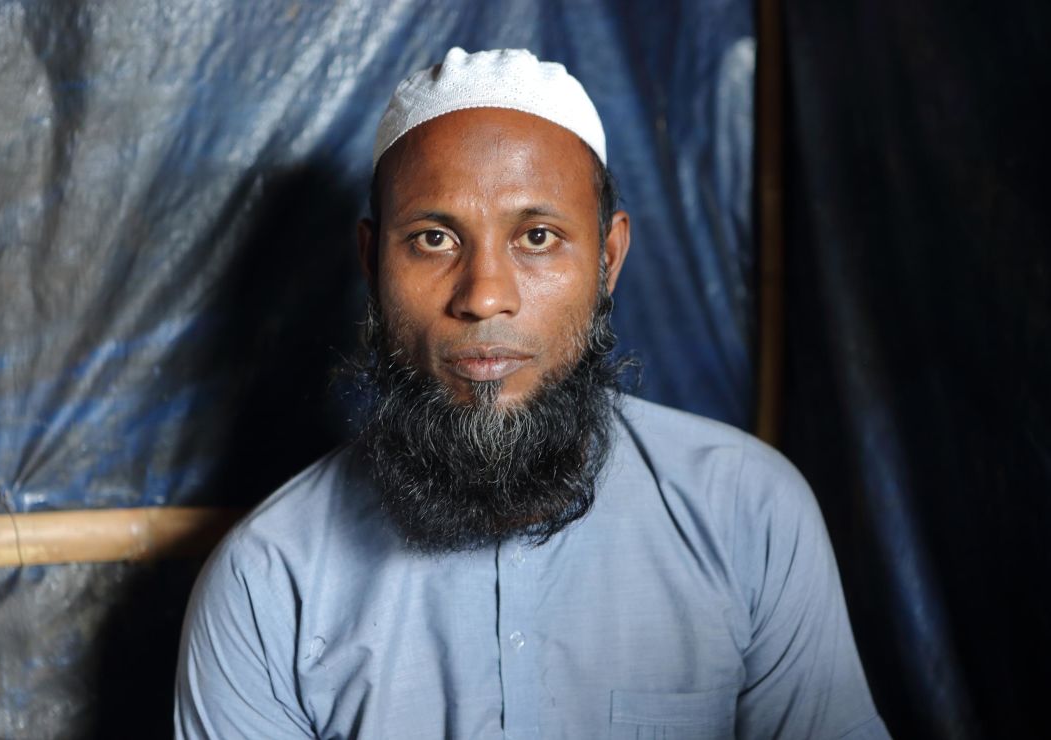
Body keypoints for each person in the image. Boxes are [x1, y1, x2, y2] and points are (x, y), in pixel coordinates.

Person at [175, 47, 888, 739]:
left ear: (607, 260)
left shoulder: (747, 515)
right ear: (371, 262)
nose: (485, 296)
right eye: (433, 239)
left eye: (538, 237)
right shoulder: (268, 586)